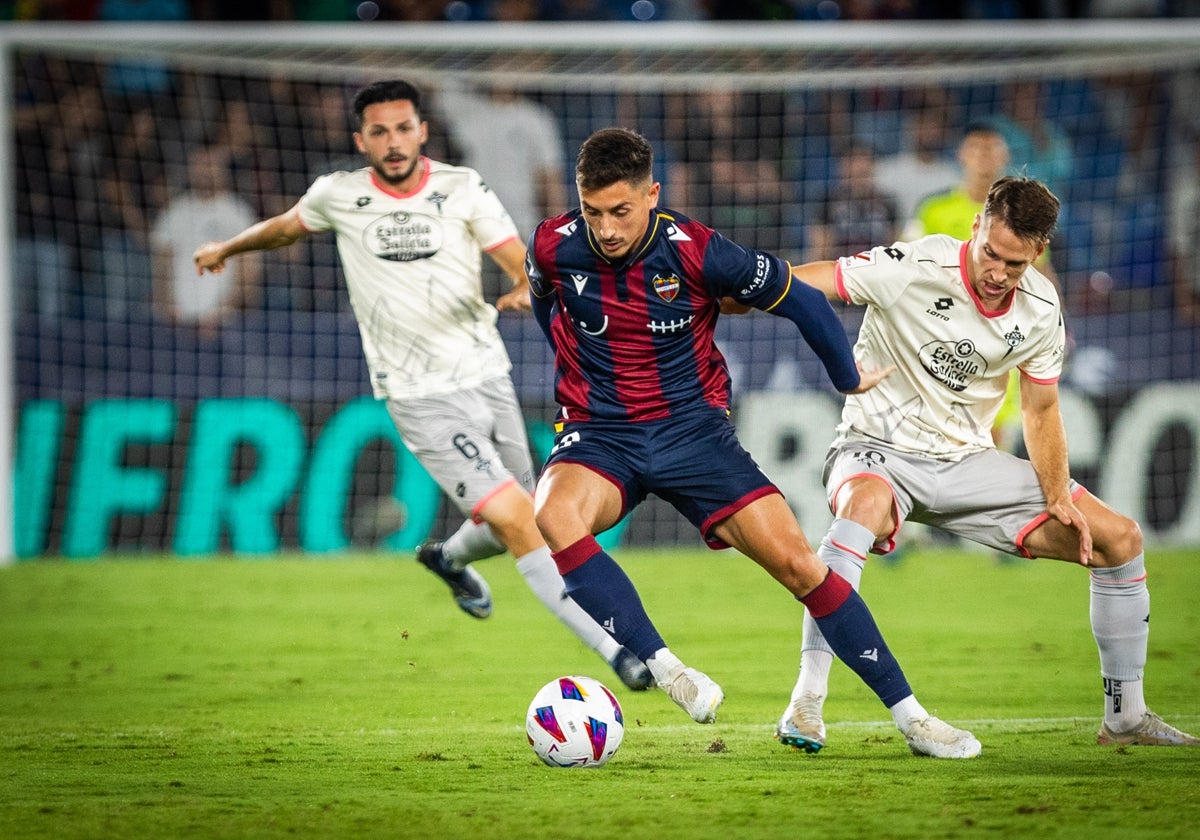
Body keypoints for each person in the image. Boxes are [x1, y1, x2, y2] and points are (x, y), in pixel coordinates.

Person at [525, 127, 981, 759]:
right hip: (601, 434)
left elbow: (804, 301)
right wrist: (575, 385)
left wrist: (848, 379)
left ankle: (913, 717)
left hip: (694, 433)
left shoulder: (700, 251)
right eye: (592, 212)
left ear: (652, 195)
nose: (605, 228)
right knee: (553, 515)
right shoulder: (551, 245)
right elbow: (548, 310)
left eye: (621, 211)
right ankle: (668, 671)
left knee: (801, 566)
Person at [192, 79, 652, 692]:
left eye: (402, 127)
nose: (393, 141)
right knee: (518, 518)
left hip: (487, 375)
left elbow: (518, 258)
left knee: (538, 519)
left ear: (422, 131)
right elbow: (284, 227)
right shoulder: (339, 195)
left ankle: (447, 557)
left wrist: (521, 285)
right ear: (361, 140)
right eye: (378, 131)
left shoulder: (461, 188)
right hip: (417, 395)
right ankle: (617, 650)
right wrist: (228, 247)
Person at [778, 175, 1198, 751]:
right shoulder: (916, 264)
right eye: (991, 254)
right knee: (859, 511)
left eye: (1015, 264)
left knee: (1119, 540)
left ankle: (1125, 715)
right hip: (876, 448)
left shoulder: (1042, 306)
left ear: (1039, 253)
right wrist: (746, 285)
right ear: (976, 227)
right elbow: (816, 280)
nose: (998, 272)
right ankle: (806, 703)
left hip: (968, 463)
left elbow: (1041, 408)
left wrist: (1055, 496)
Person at [153, 145, 262, 336]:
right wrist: (167, 308)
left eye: (210, 164)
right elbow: (161, 264)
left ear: (222, 169)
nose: (204, 170)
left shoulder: (238, 213)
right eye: (199, 164)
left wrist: (222, 314)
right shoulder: (175, 211)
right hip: (177, 325)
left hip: (225, 327)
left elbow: (249, 273)